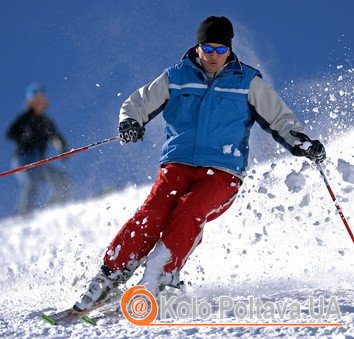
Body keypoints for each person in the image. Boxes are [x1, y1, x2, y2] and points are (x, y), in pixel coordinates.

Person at [73, 16, 326, 311]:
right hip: (178, 165)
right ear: (198, 47)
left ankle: (164, 278)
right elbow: (137, 103)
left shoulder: (247, 81)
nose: (214, 56)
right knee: (153, 211)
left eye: (221, 50)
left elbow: (280, 118)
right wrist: (130, 121)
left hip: (222, 173)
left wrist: (301, 141)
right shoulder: (177, 76)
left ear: (230, 50)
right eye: (208, 48)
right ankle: (109, 274)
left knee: (190, 208)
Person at [6, 82, 71, 215]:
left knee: (62, 180)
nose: (39, 104)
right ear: (31, 102)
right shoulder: (25, 118)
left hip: (39, 161)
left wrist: (63, 149)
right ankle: (24, 213)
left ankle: (53, 208)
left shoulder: (47, 122)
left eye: (41, 100)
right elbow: (10, 133)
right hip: (23, 158)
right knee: (32, 182)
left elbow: (56, 136)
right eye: (36, 101)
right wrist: (24, 134)